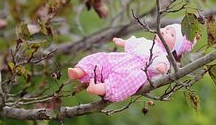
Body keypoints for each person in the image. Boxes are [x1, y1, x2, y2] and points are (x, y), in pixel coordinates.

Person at [67, 23, 196, 102]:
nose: (166, 31)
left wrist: (161, 67)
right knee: (102, 59)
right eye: (167, 29)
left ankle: (98, 88)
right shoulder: (147, 42)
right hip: (123, 59)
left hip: (136, 70)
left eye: (172, 35)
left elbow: (162, 63)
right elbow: (135, 43)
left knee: (123, 82)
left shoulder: (162, 55)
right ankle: (80, 71)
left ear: (174, 48)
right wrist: (124, 42)